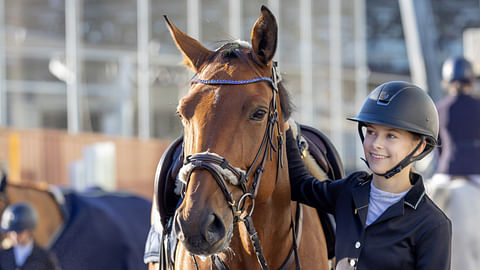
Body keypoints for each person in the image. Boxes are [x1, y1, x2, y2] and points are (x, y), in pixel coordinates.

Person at [286, 81, 451, 270]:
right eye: (371, 132)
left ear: (419, 146)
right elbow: (299, 186)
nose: (375, 144)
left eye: (391, 136)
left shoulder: (433, 225)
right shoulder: (349, 190)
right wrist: (285, 126)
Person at [427, 56, 480, 270]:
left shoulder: (439, 109)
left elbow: (437, 148)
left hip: (445, 175)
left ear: (447, 81)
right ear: (471, 80)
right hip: (475, 174)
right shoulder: (478, 107)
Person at [0, 202, 60, 270]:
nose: (15, 236)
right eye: (12, 232)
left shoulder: (45, 258)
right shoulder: (3, 256)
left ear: (29, 230)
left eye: (19, 232)